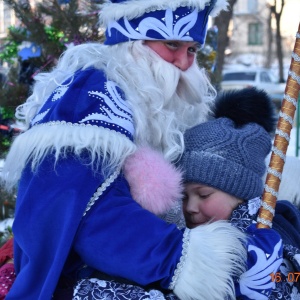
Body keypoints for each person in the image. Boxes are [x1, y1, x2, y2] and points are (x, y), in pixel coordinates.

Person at [0, 0, 279, 299]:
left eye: (192, 50)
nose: (185, 64)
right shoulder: (89, 97)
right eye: (172, 45)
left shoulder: (162, 105)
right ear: (132, 42)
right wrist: (186, 258)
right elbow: (89, 215)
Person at [176, 88, 300, 299]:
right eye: (184, 196)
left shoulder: (270, 240)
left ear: (241, 193)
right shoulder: (185, 235)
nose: (190, 207)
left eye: (204, 195)